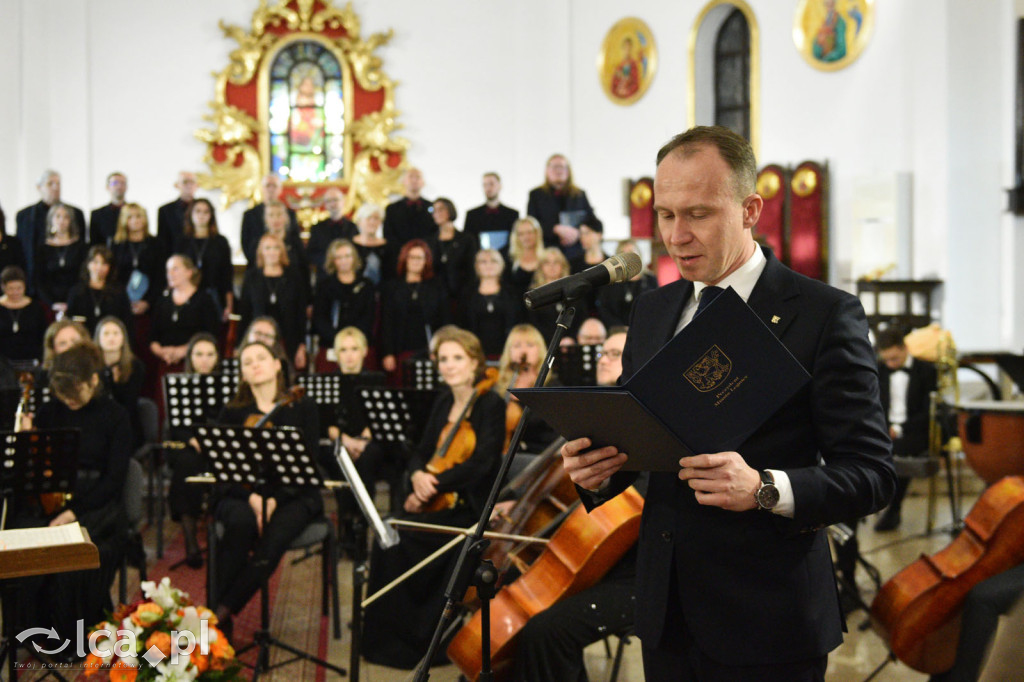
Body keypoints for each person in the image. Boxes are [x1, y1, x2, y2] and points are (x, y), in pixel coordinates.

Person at [560, 126, 895, 680]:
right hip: (666, 610)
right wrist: (597, 472)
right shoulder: (653, 311)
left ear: (749, 209)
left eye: (698, 214)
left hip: (768, 617)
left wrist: (764, 488)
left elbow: (872, 475)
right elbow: (647, 444)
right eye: (665, 215)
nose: (677, 235)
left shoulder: (821, 314)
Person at [361, 326, 504, 668]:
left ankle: (418, 639)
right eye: (443, 359)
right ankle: (386, 638)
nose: (450, 365)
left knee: (400, 537)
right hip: (436, 500)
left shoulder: (490, 403)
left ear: (474, 362)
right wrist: (417, 477)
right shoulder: (442, 401)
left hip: (468, 510)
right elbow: (419, 451)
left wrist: (434, 483)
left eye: (458, 358)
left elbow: (483, 463)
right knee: (387, 534)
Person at [513, 326, 637, 682]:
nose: (605, 359)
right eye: (604, 353)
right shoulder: (594, 414)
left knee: (544, 631)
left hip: (633, 570)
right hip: (593, 556)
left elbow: (619, 512)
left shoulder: (643, 421)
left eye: (616, 354)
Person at [11, 341, 130, 650]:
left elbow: (114, 481)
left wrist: (72, 512)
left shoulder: (116, 416)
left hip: (98, 506)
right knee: (19, 539)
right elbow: (35, 472)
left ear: (93, 380)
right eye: (62, 394)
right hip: (53, 502)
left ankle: (68, 638)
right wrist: (27, 442)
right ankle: (30, 632)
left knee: (74, 553)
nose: (68, 401)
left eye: (74, 393)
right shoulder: (51, 411)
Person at [211, 340, 323, 637]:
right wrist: (253, 498)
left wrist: (274, 500)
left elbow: (308, 466)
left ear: (277, 365)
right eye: (247, 362)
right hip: (242, 492)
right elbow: (224, 472)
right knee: (239, 523)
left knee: (270, 545)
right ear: (243, 374)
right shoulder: (233, 413)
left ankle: (217, 615)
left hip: (295, 494)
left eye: (261, 358)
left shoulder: (302, 407)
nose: (254, 364)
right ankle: (221, 625)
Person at [873, 326, 938, 531]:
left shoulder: (927, 371)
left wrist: (899, 429)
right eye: (887, 360)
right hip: (884, 429)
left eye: (894, 358)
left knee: (896, 451)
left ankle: (893, 508)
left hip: (913, 431)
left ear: (904, 348)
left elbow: (929, 412)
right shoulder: (879, 370)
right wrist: (884, 427)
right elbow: (873, 405)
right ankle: (873, 504)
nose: (891, 364)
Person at [166, 331, 221, 568]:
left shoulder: (226, 385)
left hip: (219, 444)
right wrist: (193, 439)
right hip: (188, 444)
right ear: (191, 357)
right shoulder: (179, 384)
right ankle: (190, 539)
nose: (205, 360)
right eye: (199, 354)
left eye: (210, 354)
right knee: (187, 464)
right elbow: (175, 426)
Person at [237, 233, 308, 371]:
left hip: (289, 340)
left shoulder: (294, 277)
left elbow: (301, 314)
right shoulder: (251, 277)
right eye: (267, 248)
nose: (272, 252)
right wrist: (239, 345)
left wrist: (302, 345)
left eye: (276, 248)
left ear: (281, 251)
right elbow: (244, 313)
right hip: (258, 340)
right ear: (261, 252)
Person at [378, 239, 449, 377]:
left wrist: (440, 350)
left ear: (426, 261)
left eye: (420, 257)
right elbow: (386, 323)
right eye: (412, 257)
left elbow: (444, 321)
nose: (416, 261)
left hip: (429, 351)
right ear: (405, 259)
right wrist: (388, 353)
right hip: (399, 351)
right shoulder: (392, 288)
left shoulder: (436, 287)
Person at [311, 238, 376, 371]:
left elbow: (369, 317)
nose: (344, 261)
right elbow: (319, 318)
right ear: (333, 261)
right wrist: (338, 340)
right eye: (339, 257)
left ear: (354, 258)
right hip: (331, 346)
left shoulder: (366, 285)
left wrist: (353, 340)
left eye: (347, 256)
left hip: (359, 345)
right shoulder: (324, 286)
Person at [16, 170, 87, 290]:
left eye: (58, 184)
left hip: (70, 280)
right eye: (50, 184)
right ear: (39, 187)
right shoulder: (25, 216)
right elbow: (21, 249)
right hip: (34, 279)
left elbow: (81, 247)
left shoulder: (75, 213)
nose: (56, 187)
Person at [150, 255, 221, 372]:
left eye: (175, 269)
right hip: (165, 362)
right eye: (168, 270)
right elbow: (153, 335)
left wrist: (183, 351)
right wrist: (162, 352)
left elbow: (211, 334)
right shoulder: (162, 300)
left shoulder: (204, 300)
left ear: (189, 272)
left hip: (194, 365)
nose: (170, 274)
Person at [526, 154, 601, 261]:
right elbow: (532, 224)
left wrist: (578, 232)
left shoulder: (579, 194)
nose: (559, 171)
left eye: (562, 167)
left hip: (576, 253)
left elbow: (593, 222)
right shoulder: (536, 195)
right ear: (547, 170)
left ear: (569, 171)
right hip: (548, 253)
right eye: (554, 167)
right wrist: (554, 229)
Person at [174, 198, 233, 320]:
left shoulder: (220, 241)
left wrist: (229, 304)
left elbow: (227, 274)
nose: (202, 215)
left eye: (206, 212)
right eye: (198, 211)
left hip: (213, 295)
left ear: (211, 216)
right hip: (187, 295)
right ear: (190, 214)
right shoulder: (182, 241)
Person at [94, 315, 145, 450]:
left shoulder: (136, 366)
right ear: (98, 338)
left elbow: (129, 404)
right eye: (106, 334)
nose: (111, 338)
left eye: (116, 333)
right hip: (98, 425)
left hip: (127, 424)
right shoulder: (91, 366)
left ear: (123, 338)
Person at [458, 248, 519, 358]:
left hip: (508, 352)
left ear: (501, 265)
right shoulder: (467, 294)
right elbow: (462, 325)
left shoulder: (512, 293)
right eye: (483, 261)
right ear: (476, 266)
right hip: (474, 352)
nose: (488, 265)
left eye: (493, 261)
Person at [111, 202, 167, 318]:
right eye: (130, 217)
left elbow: (160, 276)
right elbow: (113, 276)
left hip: (151, 304)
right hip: (122, 303)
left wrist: (147, 302)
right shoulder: (116, 245)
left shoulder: (156, 244)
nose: (134, 220)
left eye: (138, 216)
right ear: (124, 220)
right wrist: (125, 301)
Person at [65, 245, 133, 334]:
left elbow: (127, 322)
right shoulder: (76, 291)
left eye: (104, 263)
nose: (99, 267)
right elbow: (70, 320)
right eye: (95, 262)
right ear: (88, 264)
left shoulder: (119, 291)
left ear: (110, 267)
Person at [34, 203, 88, 316]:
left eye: (66, 217)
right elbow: (39, 280)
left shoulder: (81, 246)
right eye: (57, 216)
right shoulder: (42, 248)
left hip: (76, 300)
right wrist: (52, 303)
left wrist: (70, 302)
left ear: (71, 221)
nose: (61, 220)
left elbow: (83, 276)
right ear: (51, 220)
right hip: (49, 303)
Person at [383, 167, 434, 278]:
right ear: (404, 181)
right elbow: (389, 235)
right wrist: (406, 254)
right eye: (411, 177)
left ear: (423, 183)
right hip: (398, 260)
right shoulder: (392, 209)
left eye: (418, 177)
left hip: (425, 261)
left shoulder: (432, 207)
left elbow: (434, 234)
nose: (414, 180)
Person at [595, 239, 658, 328]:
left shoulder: (650, 279)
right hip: (616, 330)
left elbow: (656, 307)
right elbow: (604, 309)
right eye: (623, 253)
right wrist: (620, 328)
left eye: (631, 252)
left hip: (645, 329)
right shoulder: (610, 281)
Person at [240, 173, 299, 267]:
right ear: (262, 188)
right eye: (268, 185)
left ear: (280, 189)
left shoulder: (290, 214)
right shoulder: (250, 215)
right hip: (258, 267)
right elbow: (246, 245)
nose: (271, 189)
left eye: (274, 186)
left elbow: (297, 246)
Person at [427, 197, 478, 304]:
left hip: (462, 294)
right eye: (434, 210)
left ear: (450, 210)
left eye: (441, 209)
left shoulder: (466, 239)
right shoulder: (429, 241)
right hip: (435, 295)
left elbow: (471, 269)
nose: (437, 213)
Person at [525, 247, 582, 342]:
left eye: (556, 262)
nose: (552, 266)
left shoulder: (574, 291)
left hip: (570, 343)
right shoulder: (533, 295)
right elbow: (532, 324)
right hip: (542, 344)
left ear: (563, 266)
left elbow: (580, 320)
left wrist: (570, 339)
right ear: (541, 267)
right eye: (547, 262)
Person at [306, 187, 357, 281]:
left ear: (343, 201)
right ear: (325, 205)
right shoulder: (317, 228)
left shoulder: (354, 227)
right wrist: (330, 261)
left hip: (348, 278)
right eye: (329, 201)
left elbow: (356, 253)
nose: (333, 204)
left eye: (335, 200)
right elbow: (310, 254)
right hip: (325, 277)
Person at [0, 266, 47, 363]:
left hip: (31, 358)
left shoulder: (35, 307)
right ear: (3, 287)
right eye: (11, 288)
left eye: (19, 288)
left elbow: (42, 335)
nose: (15, 292)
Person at [462, 172, 519, 249]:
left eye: (491, 184)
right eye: (485, 185)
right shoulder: (472, 215)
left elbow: (515, 242)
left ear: (500, 186)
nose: (488, 188)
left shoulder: (512, 214)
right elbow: (468, 243)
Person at [156, 171, 198, 255]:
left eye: (192, 182)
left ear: (197, 185)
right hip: (175, 256)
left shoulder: (204, 209)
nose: (189, 185)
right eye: (185, 182)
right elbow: (162, 241)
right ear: (176, 185)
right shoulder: (166, 210)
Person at [504, 216, 544, 304]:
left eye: (530, 232)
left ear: (537, 233)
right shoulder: (509, 262)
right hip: (517, 308)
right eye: (521, 234)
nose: (526, 237)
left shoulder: (546, 258)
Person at [350, 202, 388, 286]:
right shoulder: (350, 246)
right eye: (368, 218)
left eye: (376, 218)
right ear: (359, 222)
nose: (372, 222)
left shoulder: (388, 246)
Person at [89, 171, 127, 246]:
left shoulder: (133, 213)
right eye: (115, 183)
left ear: (126, 187)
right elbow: (94, 243)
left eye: (122, 183)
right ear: (107, 187)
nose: (119, 186)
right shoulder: (97, 214)